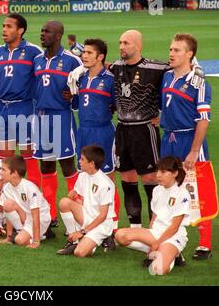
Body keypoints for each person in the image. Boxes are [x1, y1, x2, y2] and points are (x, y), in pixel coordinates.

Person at [69, 30, 168, 229]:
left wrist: (164, 114)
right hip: (122, 129)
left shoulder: (155, 68)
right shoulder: (116, 68)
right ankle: (134, 229)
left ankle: (155, 228)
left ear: (138, 45)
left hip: (142, 130)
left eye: (126, 43)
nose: (121, 46)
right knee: (127, 178)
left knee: (149, 179)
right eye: (120, 42)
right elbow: (100, 68)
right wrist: (80, 68)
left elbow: (176, 75)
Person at [160, 33, 213, 260]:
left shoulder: (199, 83)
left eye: (177, 50)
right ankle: (171, 242)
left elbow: (203, 119)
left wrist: (193, 150)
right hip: (168, 139)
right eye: (171, 49)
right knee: (167, 189)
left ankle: (204, 244)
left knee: (196, 191)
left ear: (190, 54)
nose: (171, 53)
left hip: (189, 140)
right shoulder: (166, 77)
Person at [32, 21, 81, 228]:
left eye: (47, 32)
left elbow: (83, 89)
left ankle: (77, 214)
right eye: (42, 31)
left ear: (59, 35)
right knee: (46, 165)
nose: (42, 34)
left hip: (62, 117)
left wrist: (73, 96)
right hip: (40, 118)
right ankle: (50, 214)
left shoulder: (72, 61)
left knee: (68, 164)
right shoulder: (37, 60)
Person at [74, 38, 121, 247]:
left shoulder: (111, 79)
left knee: (108, 182)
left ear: (100, 56)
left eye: (89, 53)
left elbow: (119, 105)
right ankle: (89, 227)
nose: (84, 56)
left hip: (103, 132)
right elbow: (76, 103)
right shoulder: (81, 77)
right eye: (84, 52)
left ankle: (112, 229)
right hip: (83, 130)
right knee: (85, 179)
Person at [115, 156, 190, 275]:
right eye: (158, 171)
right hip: (156, 233)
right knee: (120, 236)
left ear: (175, 173)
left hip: (173, 236)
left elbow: (174, 227)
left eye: (163, 172)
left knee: (158, 270)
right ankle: (160, 252)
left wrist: (156, 243)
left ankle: (173, 255)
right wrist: (151, 234)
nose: (158, 175)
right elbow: (154, 215)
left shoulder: (182, 194)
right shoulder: (157, 190)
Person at [0, 13, 43, 188]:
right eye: (3, 26)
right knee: (5, 157)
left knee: (28, 156)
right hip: (3, 109)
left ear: (20, 30)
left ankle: (34, 199)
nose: (4, 30)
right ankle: (5, 197)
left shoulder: (33, 51)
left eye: (9, 26)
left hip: (25, 108)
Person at [56, 145, 115, 257]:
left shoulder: (106, 184)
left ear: (92, 164)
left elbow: (103, 216)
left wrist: (83, 232)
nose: (79, 161)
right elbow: (81, 201)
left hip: (101, 223)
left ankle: (103, 237)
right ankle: (74, 241)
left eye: (82, 159)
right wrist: (74, 197)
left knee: (79, 253)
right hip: (86, 216)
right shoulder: (82, 176)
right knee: (64, 202)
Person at [0, 155, 51, 249]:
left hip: (40, 218)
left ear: (14, 174)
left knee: (19, 241)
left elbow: (36, 215)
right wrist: (8, 237)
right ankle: (15, 235)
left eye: (3, 170)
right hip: (25, 217)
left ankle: (39, 235)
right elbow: (7, 211)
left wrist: (36, 241)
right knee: (7, 204)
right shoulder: (7, 188)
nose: (0, 173)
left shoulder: (30, 188)